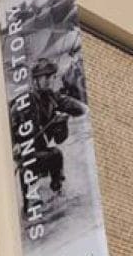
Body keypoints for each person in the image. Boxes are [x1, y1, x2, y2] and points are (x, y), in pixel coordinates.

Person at [11, 57, 87, 198]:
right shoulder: (23, 102)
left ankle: (57, 191)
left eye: (51, 76)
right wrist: (14, 144)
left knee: (55, 154)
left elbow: (80, 110)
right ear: (36, 80)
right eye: (45, 77)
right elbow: (10, 125)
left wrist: (62, 120)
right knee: (50, 157)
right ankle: (29, 199)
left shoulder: (53, 99)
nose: (50, 80)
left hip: (39, 151)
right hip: (23, 155)